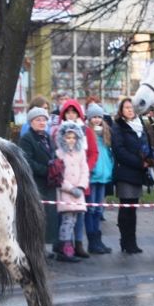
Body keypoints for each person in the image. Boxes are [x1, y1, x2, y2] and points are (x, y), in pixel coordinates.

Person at [50, 98, 98, 257]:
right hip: (64, 183)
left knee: (79, 215)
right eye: (68, 112)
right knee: (65, 216)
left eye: (73, 112)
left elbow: (92, 153)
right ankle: (64, 244)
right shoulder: (58, 131)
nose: (71, 115)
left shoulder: (85, 131)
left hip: (81, 180)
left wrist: (84, 176)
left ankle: (78, 243)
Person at [18, 106, 63, 258]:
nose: (42, 122)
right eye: (38, 120)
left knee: (49, 217)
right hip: (36, 184)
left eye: (44, 119)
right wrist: (46, 170)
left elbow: (53, 155)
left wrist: (56, 166)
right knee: (36, 217)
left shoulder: (48, 137)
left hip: (49, 183)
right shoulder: (27, 139)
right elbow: (27, 161)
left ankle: (45, 248)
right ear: (31, 122)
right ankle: (35, 250)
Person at [112, 97, 153, 254]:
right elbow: (119, 150)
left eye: (132, 107)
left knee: (133, 209)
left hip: (137, 173)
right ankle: (125, 241)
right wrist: (139, 162)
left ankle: (132, 242)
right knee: (126, 209)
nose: (130, 110)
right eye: (126, 107)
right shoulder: (118, 127)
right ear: (121, 111)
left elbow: (145, 145)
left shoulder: (140, 125)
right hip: (125, 172)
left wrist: (149, 158)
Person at [55, 122, 89, 263]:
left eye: (73, 137)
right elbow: (58, 175)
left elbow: (84, 170)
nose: (71, 140)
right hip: (66, 193)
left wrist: (81, 186)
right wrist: (70, 188)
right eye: (68, 137)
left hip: (78, 193)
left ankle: (70, 246)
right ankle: (65, 247)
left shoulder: (80, 153)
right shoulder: (59, 153)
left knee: (74, 219)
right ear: (63, 138)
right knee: (67, 221)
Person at [85, 102, 113, 254]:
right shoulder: (87, 132)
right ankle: (92, 241)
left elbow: (108, 154)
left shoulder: (105, 133)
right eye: (94, 117)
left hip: (103, 176)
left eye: (99, 117)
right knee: (91, 209)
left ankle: (98, 239)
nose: (96, 120)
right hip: (92, 176)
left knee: (98, 210)